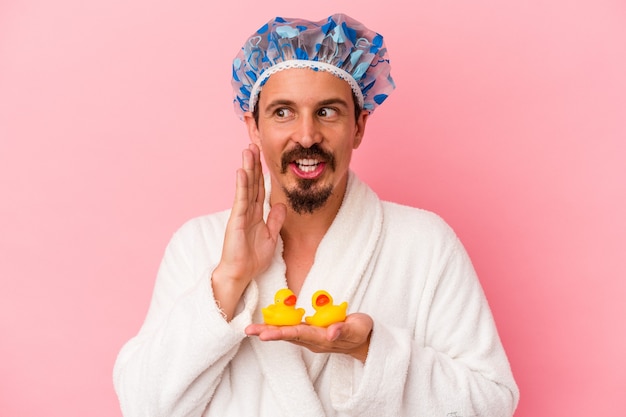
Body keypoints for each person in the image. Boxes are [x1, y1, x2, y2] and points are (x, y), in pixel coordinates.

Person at [113, 13, 519, 417]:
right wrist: (229, 280)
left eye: (327, 112)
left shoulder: (425, 244)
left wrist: (368, 350)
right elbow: (143, 406)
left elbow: (492, 402)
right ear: (253, 127)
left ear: (359, 126)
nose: (306, 136)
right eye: (283, 112)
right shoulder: (197, 245)